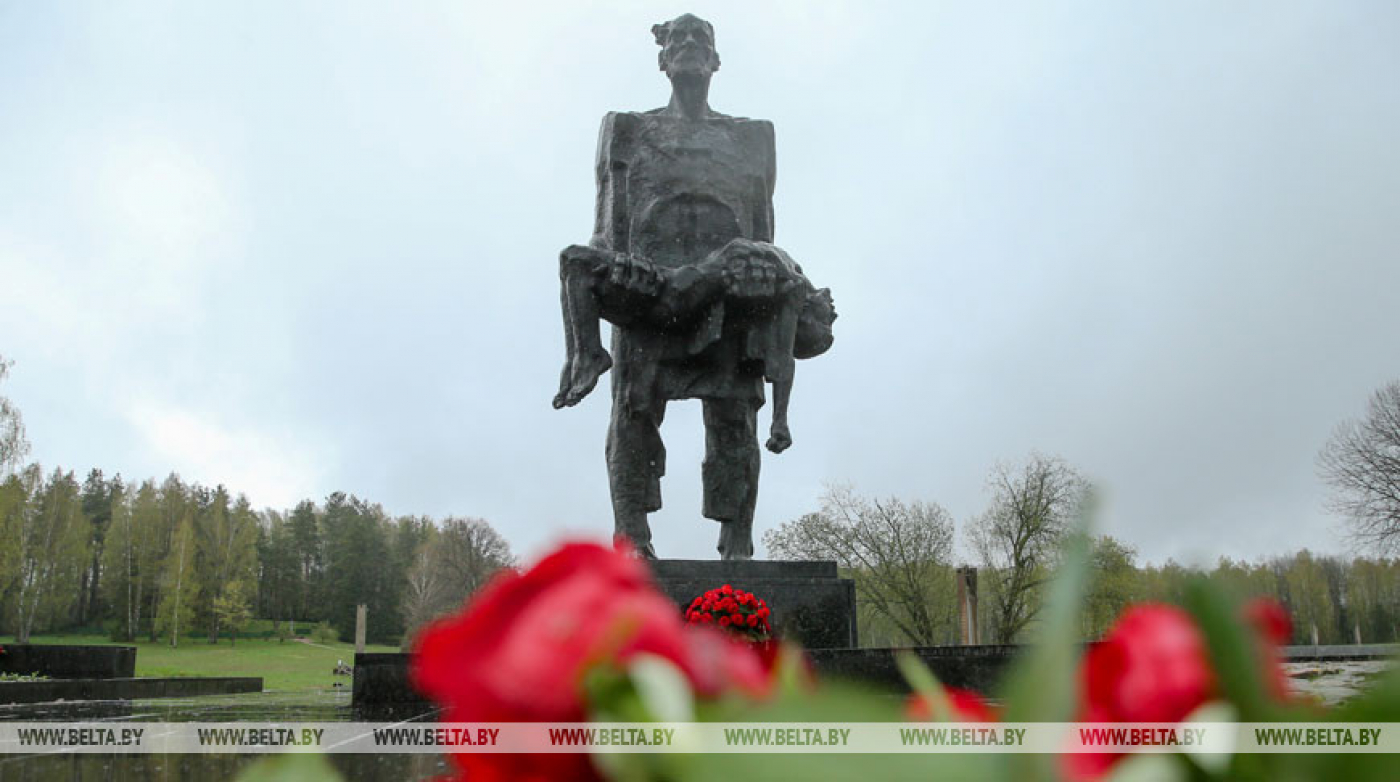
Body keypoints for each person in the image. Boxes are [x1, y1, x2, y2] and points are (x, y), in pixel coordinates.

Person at [552, 14, 835, 560]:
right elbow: (608, 220)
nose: (687, 46)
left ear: (715, 60)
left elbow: (762, 230)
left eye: (699, 40)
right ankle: (632, 539)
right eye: (677, 40)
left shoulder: (753, 137)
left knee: (734, 417)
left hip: (732, 294)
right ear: (662, 60)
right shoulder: (628, 128)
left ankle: (737, 545)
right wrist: (618, 266)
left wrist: (767, 298)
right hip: (651, 288)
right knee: (634, 409)